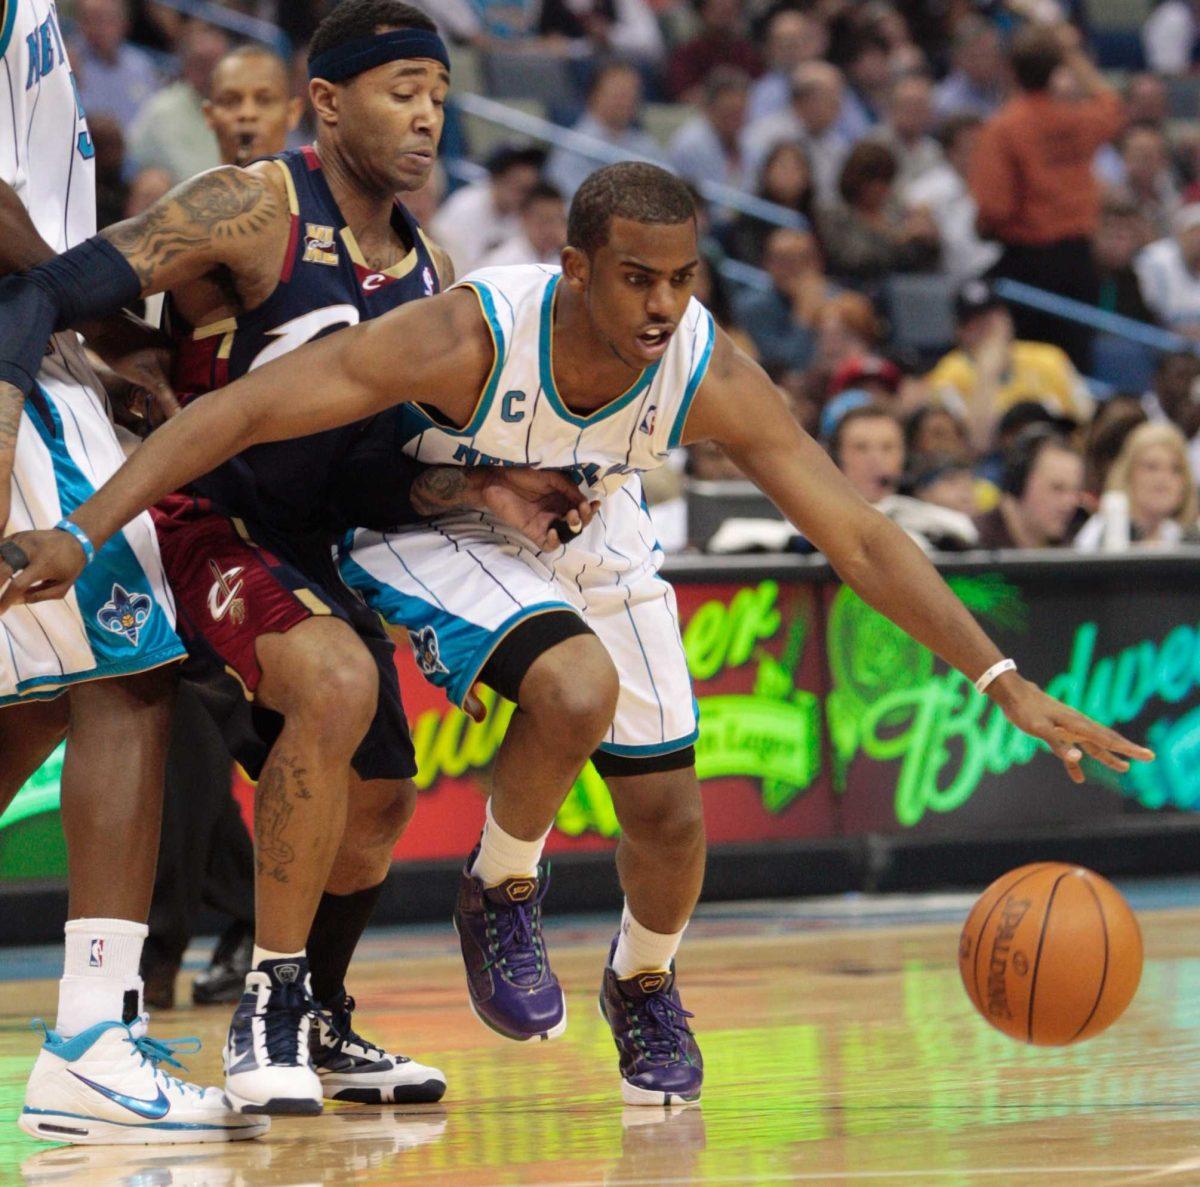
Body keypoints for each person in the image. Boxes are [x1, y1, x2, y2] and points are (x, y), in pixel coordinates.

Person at [0, 163, 1153, 1107]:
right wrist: (83, 528)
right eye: (638, 278)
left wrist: (1002, 678)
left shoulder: (699, 365)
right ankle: (499, 889)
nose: (662, 303)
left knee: (670, 816)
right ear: (578, 268)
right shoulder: (467, 334)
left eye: (682, 278)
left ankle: (641, 978)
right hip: (432, 519)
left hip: (592, 529)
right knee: (570, 688)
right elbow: (240, 410)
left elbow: (855, 532)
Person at [0, 0, 593, 1119]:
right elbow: (51, 288)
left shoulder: (433, 270)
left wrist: (484, 486)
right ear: (327, 102)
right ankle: (261, 1004)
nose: (426, 120)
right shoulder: (250, 202)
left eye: (438, 98)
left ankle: (316, 1011)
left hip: (305, 539)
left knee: (381, 798)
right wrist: (58, 405)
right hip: (190, 510)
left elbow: (374, 467)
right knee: (327, 679)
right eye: (400, 93)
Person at [0, 0, 261, 1146]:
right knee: (128, 674)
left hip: (42, 352)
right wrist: (108, 309)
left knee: (48, 688)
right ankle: (92, 1040)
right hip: (17, 365)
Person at [143, 42, 304, 1012]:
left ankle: (250, 919)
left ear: (295, 110)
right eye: (229, 101)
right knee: (188, 706)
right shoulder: (178, 229)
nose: (245, 115)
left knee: (257, 726)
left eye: (262, 101)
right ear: (208, 112)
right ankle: (183, 938)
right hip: (194, 511)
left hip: (291, 508)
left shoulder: (319, 228)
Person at [969, 23, 1125, 370]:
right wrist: (1070, 52)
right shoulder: (1078, 119)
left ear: (1011, 71)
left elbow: (994, 207)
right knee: (1077, 362)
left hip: (1030, 263)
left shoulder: (1003, 128)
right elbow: (1111, 103)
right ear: (1056, 72)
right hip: (1080, 260)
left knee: (1030, 362)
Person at [926, 282, 1092, 454]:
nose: (987, 327)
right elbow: (976, 445)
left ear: (1007, 318)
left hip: (1059, 454)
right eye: (974, 322)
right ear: (959, 331)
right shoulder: (947, 374)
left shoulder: (1049, 358)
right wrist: (987, 372)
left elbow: (1087, 420)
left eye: (991, 316)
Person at [817, 141, 940, 287]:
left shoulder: (897, 212)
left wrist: (928, 237)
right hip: (853, 288)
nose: (880, 189)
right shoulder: (834, 215)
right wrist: (901, 238)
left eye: (886, 181)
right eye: (873, 182)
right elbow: (854, 259)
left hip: (904, 289)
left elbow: (922, 259)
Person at [902, 113, 999, 286]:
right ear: (950, 151)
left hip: (999, 276)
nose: (980, 153)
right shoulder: (924, 191)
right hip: (950, 284)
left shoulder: (997, 185)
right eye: (972, 146)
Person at [546, 60, 664, 200]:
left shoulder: (644, 143)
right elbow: (565, 202)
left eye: (632, 94)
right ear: (594, 95)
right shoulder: (573, 146)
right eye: (619, 95)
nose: (627, 101)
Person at [126, 21, 229, 181]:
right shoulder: (162, 109)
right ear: (186, 65)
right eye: (201, 62)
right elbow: (133, 160)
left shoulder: (239, 112)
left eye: (216, 63)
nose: (210, 72)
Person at [1074, 422, 1200, 550]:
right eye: (1151, 467)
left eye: (1175, 469)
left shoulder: (1186, 539)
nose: (1163, 478)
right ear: (1128, 475)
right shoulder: (1102, 530)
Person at [430, 146, 543, 277]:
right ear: (497, 178)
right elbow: (446, 260)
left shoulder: (519, 218)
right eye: (517, 186)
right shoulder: (466, 206)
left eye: (527, 190)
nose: (522, 196)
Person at [974, 427, 1085, 549]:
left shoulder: (1074, 544)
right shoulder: (971, 548)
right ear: (1019, 482)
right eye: (1057, 488)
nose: (1071, 503)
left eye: (1075, 491)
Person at [69, 0, 161, 127]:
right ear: (80, 23)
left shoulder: (140, 64)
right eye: (91, 19)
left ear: (124, 23)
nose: (98, 28)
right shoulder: (69, 63)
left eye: (107, 20)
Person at [1134, 204, 1200, 338]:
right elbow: (1153, 311)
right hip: (1156, 337)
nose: (1197, 240)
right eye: (1195, 232)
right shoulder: (1155, 258)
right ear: (1181, 234)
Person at [479, 181, 568, 268]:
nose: (550, 229)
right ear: (525, 218)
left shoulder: (561, 257)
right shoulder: (501, 262)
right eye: (545, 220)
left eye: (558, 220)